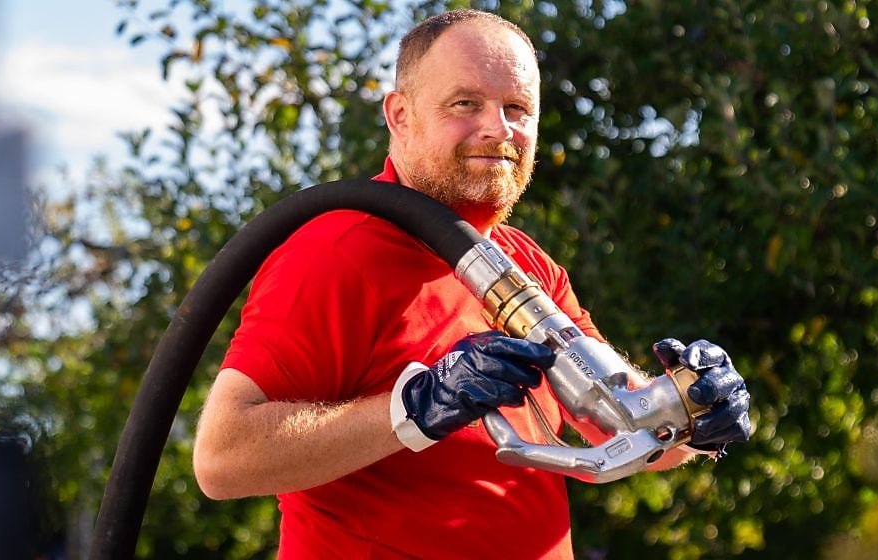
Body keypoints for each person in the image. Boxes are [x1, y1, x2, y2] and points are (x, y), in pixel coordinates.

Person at [193, 9, 752, 560]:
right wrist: (414, 408)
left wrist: (690, 413)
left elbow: (618, 429)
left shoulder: (527, 264)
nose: (498, 128)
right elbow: (222, 459)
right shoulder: (339, 252)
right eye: (466, 103)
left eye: (517, 108)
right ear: (400, 115)